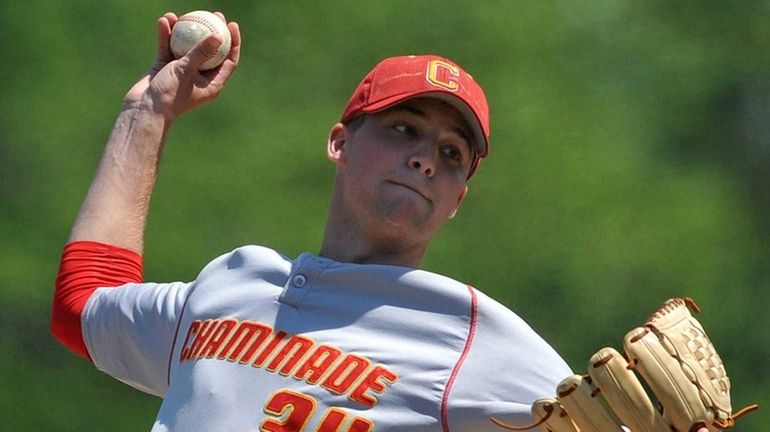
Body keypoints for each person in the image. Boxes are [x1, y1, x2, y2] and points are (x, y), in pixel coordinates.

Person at [50, 11, 575, 432]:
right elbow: (81, 307)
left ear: (456, 199)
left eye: (451, 153)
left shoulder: (472, 335)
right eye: (402, 127)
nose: (425, 159)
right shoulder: (233, 282)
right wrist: (147, 114)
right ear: (339, 143)